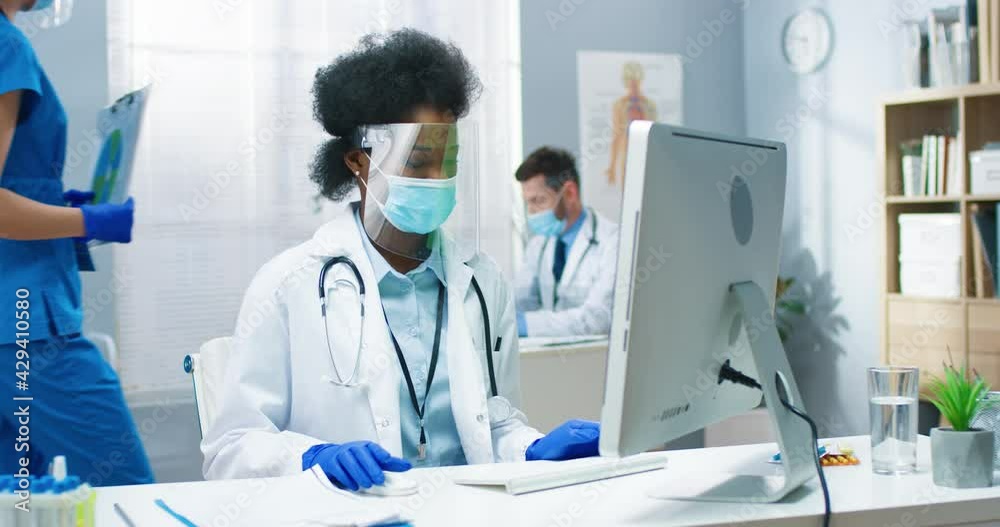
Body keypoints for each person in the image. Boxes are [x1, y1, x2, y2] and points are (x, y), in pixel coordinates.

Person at [202, 29, 600, 491]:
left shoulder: (482, 284)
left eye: (448, 159)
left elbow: (491, 425)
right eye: (418, 160)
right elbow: (231, 447)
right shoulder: (289, 285)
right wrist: (310, 457)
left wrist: (530, 447)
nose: (438, 179)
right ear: (358, 160)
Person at [0, 0, 152, 485]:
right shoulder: (6, 46)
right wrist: (88, 220)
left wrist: (56, 202)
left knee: (24, 501)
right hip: (27, 324)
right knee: (125, 490)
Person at [514, 147, 619, 337]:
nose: (531, 212)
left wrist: (525, 325)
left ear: (569, 193)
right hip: (548, 360)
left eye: (538, 200)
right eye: (527, 203)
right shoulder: (538, 246)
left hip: (593, 360)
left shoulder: (612, 241)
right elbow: (521, 301)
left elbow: (598, 319)